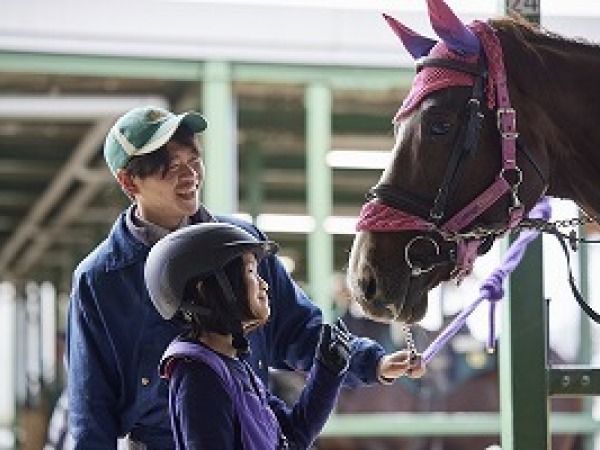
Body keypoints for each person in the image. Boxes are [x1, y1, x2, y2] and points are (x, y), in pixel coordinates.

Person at [66, 105, 424, 449]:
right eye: (169, 168)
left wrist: (370, 362)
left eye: (193, 161)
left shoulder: (240, 244)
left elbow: (298, 330)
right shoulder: (99, 281)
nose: (189, 175)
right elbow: (91, 409)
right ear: (129, 181)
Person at [145, 222, 354, 449]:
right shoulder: (200, 376)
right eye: (251, 272)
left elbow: (292, 436)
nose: (264, 285)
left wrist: (328, 372)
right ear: (206, 289)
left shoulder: (234, 366)